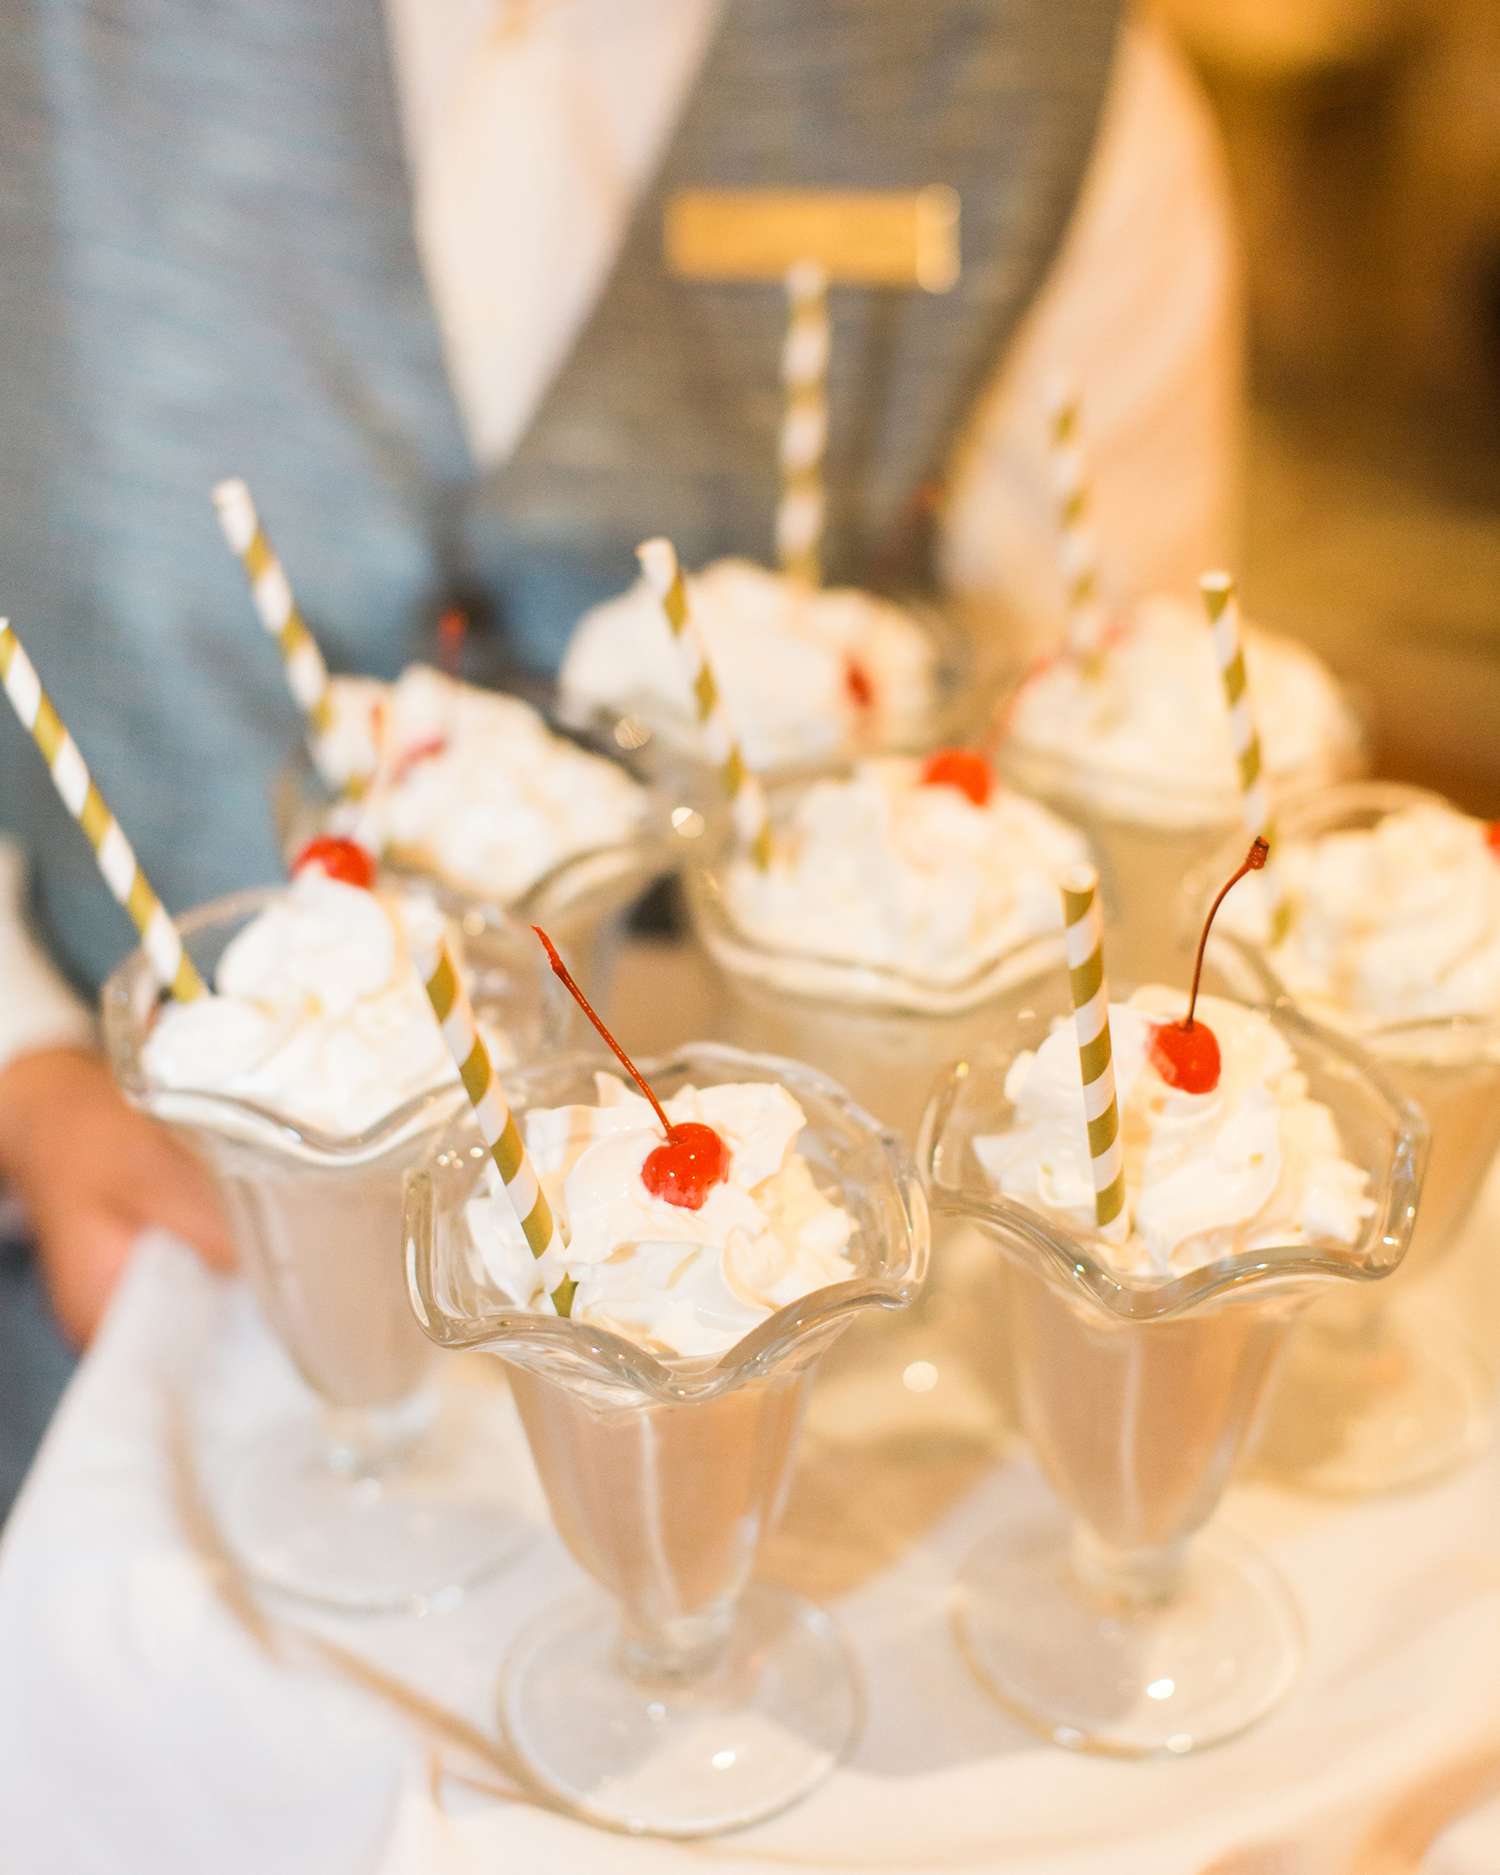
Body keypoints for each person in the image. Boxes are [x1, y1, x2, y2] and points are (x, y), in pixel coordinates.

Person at [0, 1, 1238, 1505]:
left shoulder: (1051, 74)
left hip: (756, 1326)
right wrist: (27, 1071)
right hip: (128, 1267)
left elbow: (1112, 739)